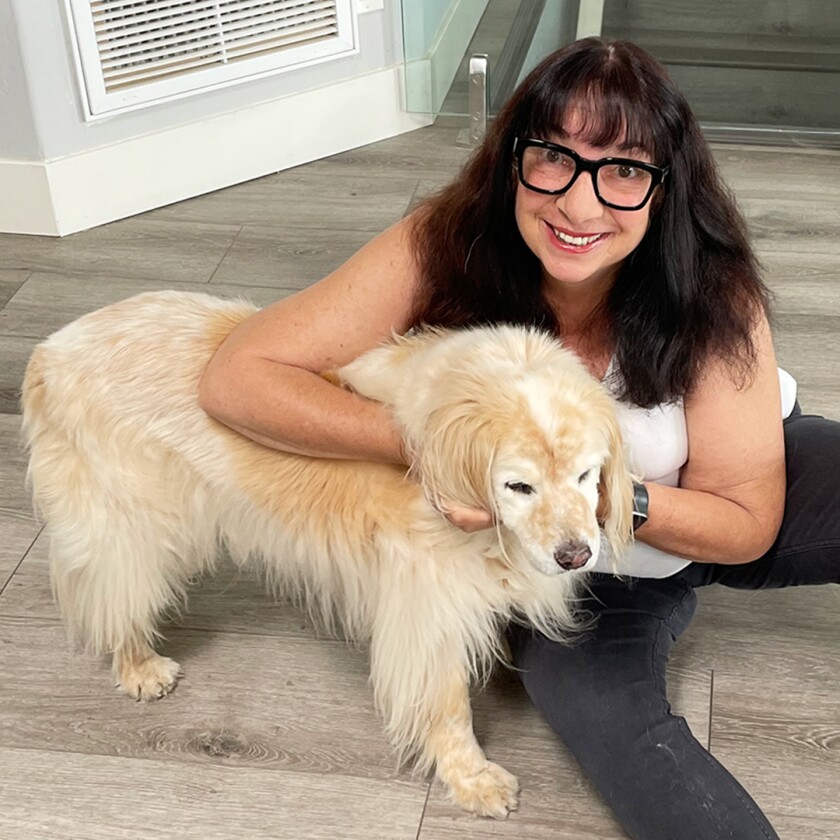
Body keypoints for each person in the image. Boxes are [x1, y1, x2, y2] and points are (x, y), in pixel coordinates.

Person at [199, 38, 839, 840]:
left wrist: (603, 496)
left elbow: (744, 524)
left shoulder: (710, 288)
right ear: (512, 162)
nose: (579, 205)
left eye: (623, 170)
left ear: (664, 190)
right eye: (554, 159)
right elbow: (237, 377)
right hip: (580, 579)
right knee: (604, 717)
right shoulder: (443, 242)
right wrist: (443, 453)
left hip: (710, 500)